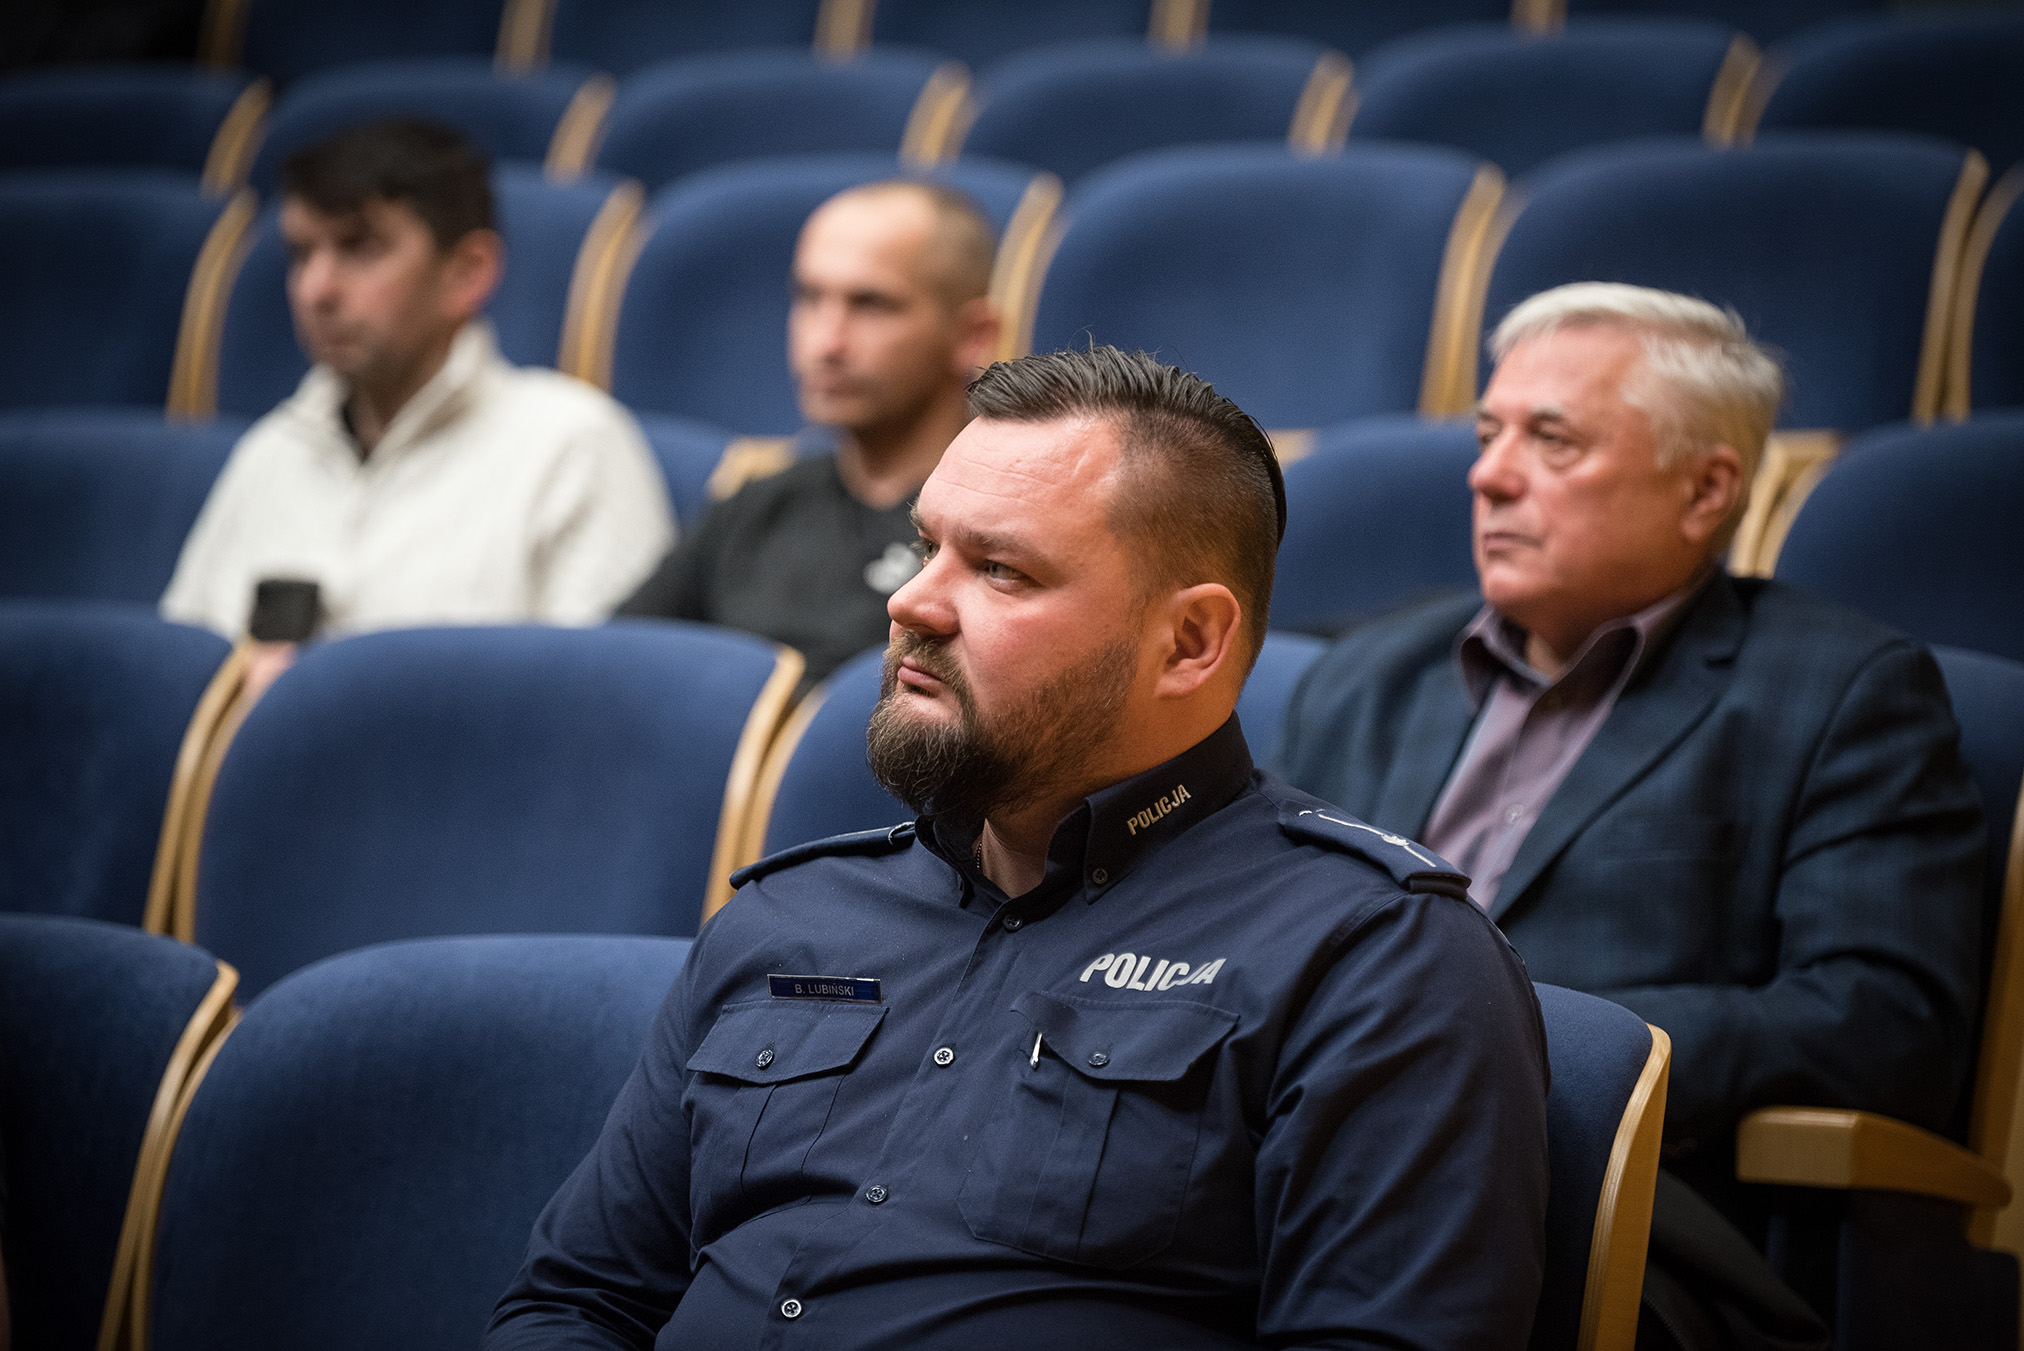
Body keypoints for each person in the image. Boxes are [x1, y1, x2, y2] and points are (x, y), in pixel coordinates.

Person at [487, 347, 1551, 1349]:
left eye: (999, 569)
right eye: (926, 548)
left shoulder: (1371, 954)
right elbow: (576, 1300)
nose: (910, 601)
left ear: (1188, 641)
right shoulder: (788, 914)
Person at [1275, 283, 1985, 1339]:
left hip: (1608, 1206)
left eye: (1551, 440)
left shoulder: (1843, 692)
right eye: (1487, 432)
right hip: (1308, 1167)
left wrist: (1512, 1038)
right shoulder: (1366, 673)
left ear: (1705, 491)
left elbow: (1881, 1026)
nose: (1487, 473)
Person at [161, 118, 672, 645]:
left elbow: (606, 690)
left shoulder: (572, 445)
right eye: (301, 254)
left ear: (468, 272)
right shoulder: (269, 453)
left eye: (360, 248)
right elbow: (187, 674)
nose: (316, 290)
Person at [617, 179, 1001, 687]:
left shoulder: (996, 530)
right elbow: (610, 669)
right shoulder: (755, 506)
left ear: (972, 335)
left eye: (871, 304)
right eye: (810, 298)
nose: (826, 342)